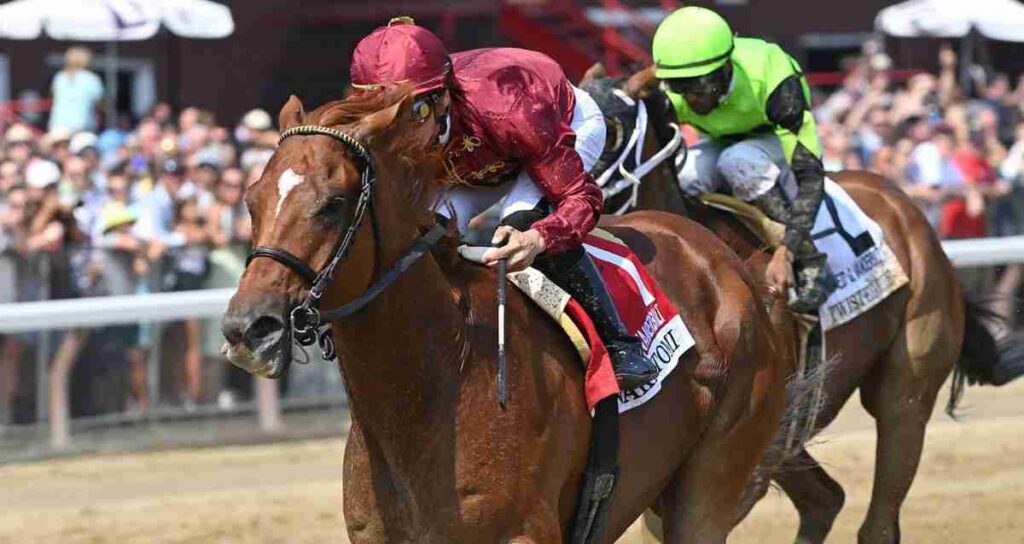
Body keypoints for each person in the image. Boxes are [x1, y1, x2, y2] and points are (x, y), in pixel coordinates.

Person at [349, 17, 658, 388]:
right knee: (424, 240)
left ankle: (621, 344)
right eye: (383, 116)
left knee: (522, 223)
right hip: (468, 165)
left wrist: (540, 238)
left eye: (410, 114)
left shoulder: (510, 109)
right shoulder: (392, 131)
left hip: (555, 131)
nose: (397, 134)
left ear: (443, 96)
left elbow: (583, 198)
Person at [651, 6, 834, 313]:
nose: (691, 99)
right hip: (719, 140)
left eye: (699, 86)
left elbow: (811, 174)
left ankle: (811, 259)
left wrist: (788, 249)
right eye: (681, 87)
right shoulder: (674, 88)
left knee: (737, 161)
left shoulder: (771, 73)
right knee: (684, 176)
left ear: (725, 70)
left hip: (774, 138)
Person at [48, 47, 104, 133]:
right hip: (82, 125)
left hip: (58, 124)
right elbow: (99, 103)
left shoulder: (59, 77)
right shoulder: (91, 78)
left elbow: (54, 97)